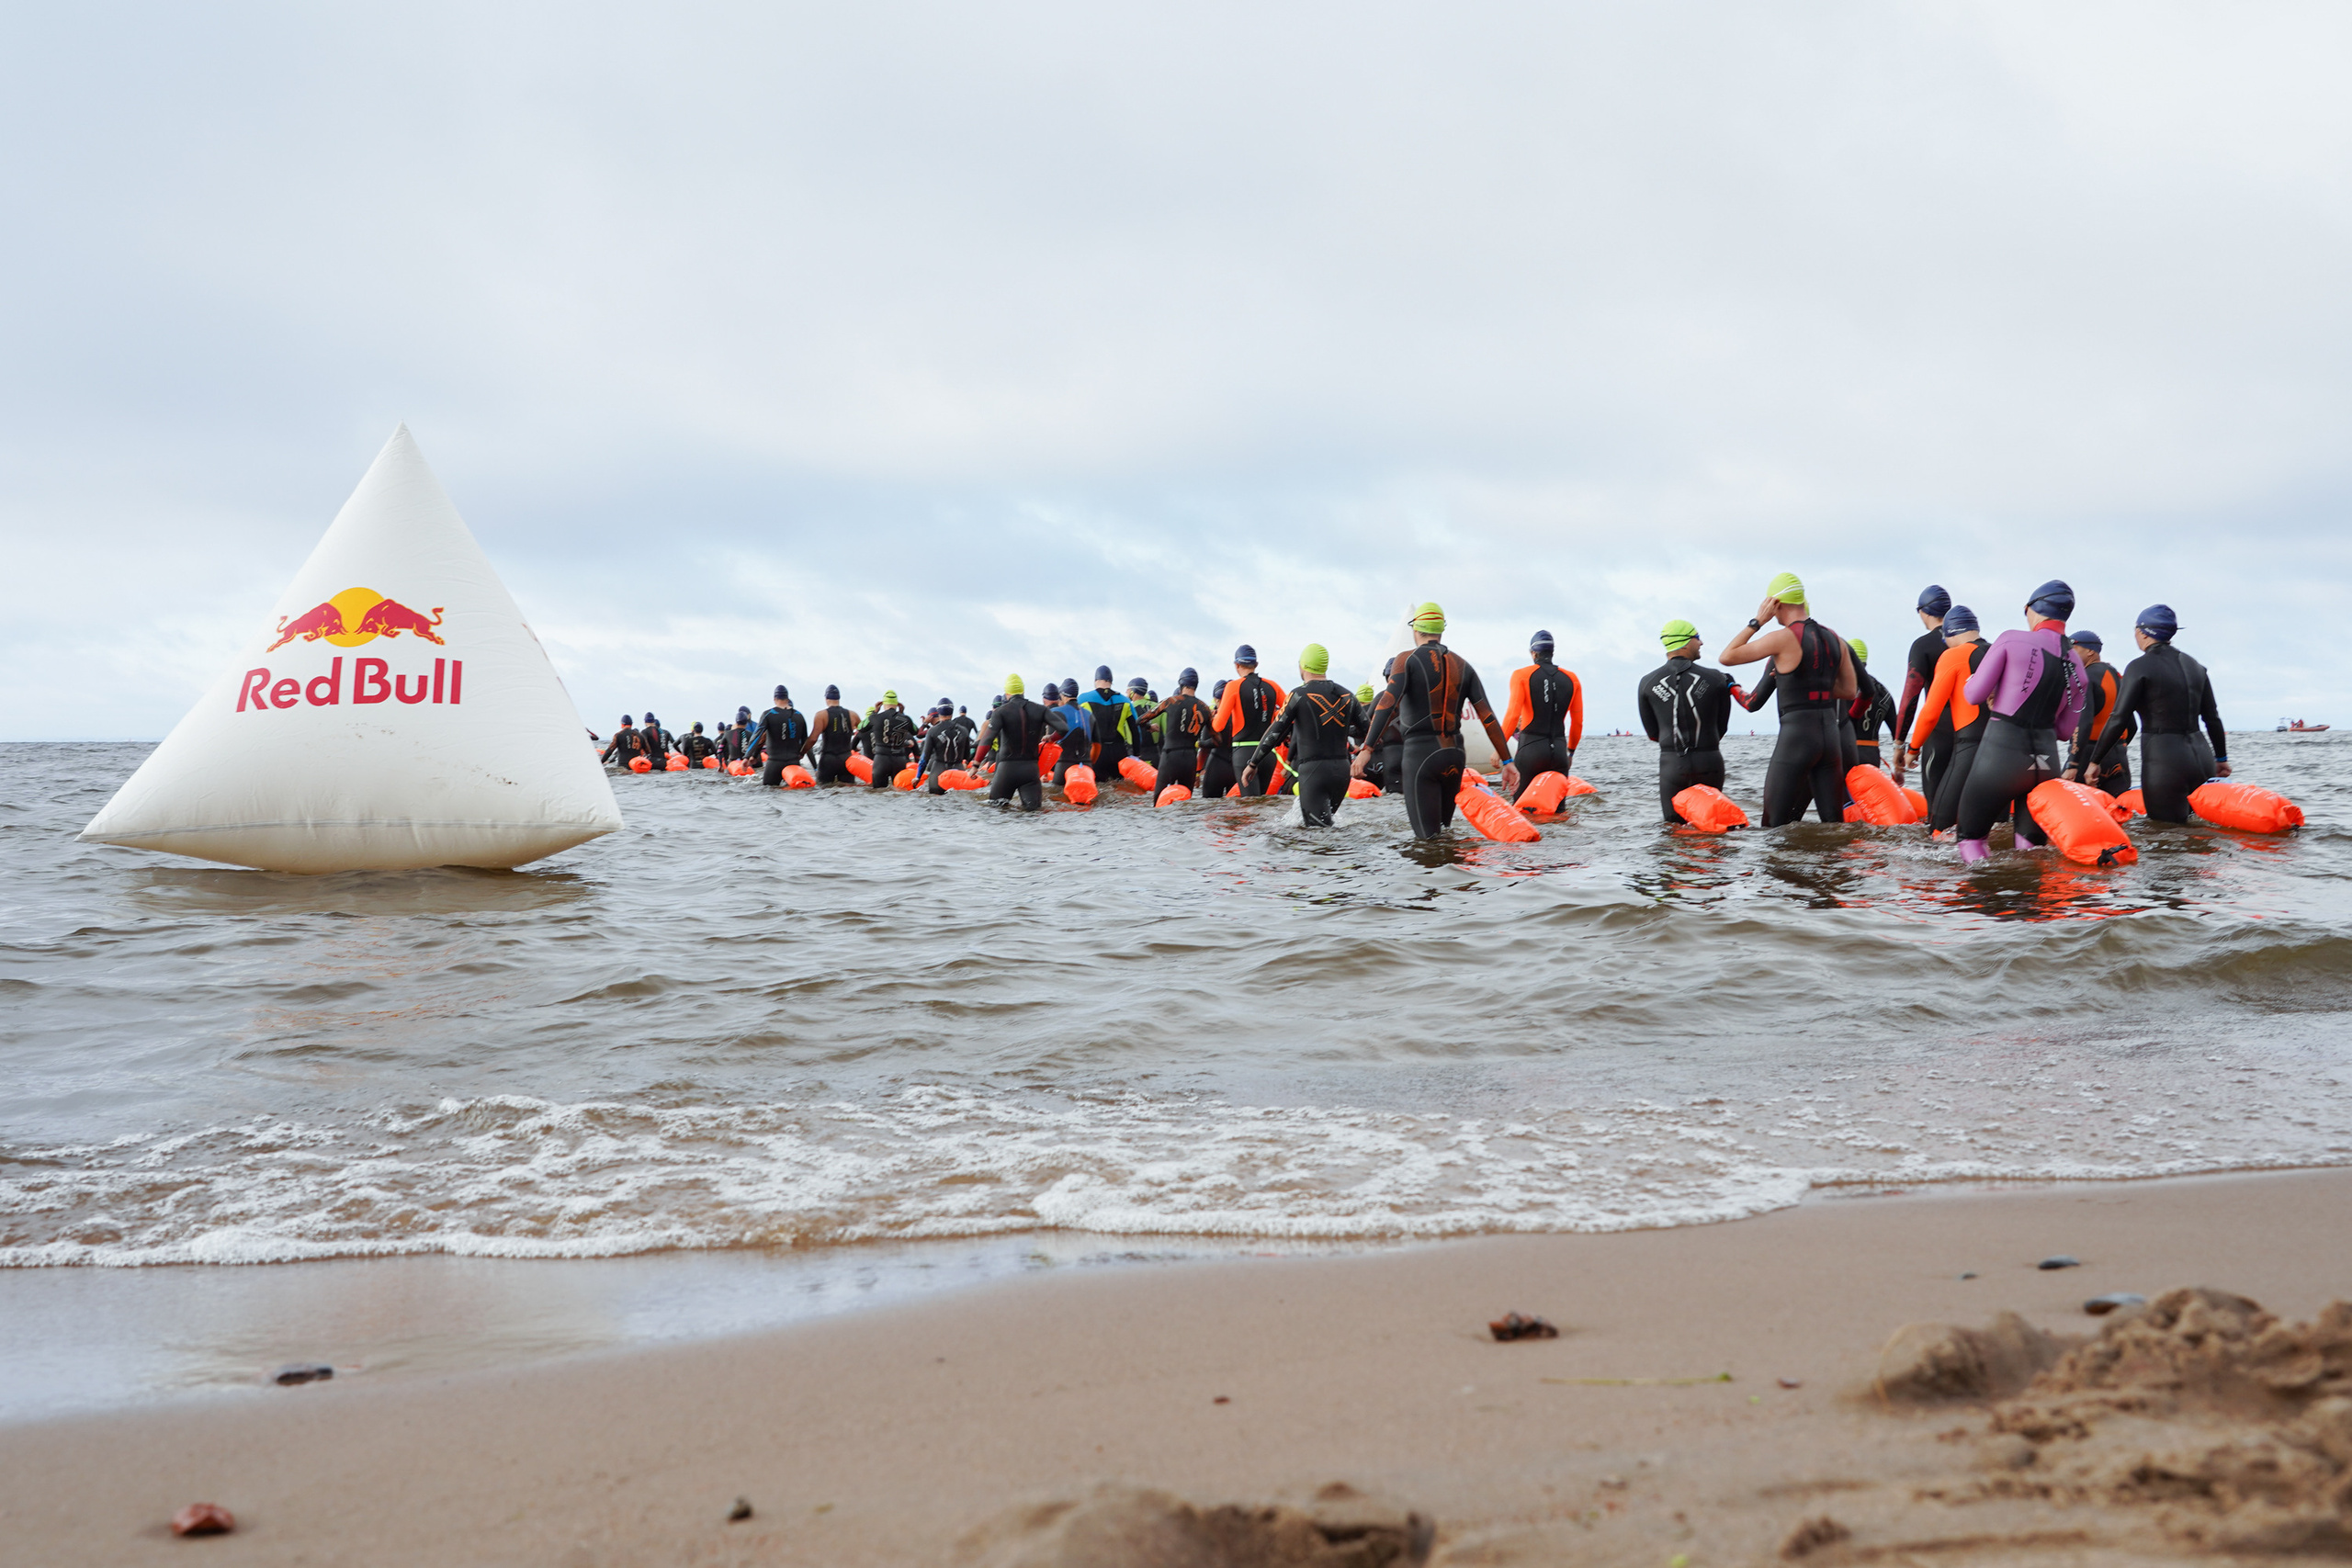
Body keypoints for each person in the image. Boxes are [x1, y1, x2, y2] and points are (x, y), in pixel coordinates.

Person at [1354, 603, 1520, 839]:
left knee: (1427, 840)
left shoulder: (1405, 660)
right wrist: (1507, 761)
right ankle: (1453, 873)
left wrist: (1367, 748)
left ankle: (1432, 874)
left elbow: (1386, 704)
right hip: (1454, 755)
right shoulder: (1463, 666)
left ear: (1415, 629)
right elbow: (1488, 716)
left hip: (1421, 756)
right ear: (1442, 629)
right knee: (1444, 832)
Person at [1951, 581, 2087, 864]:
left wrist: (1976, 683)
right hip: (2045, 763)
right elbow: (2064, 732)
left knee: (1971, 838)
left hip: (2001, 756)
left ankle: (1982, 904)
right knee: (2031, 852)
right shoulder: (2076, 665)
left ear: (2031, 609)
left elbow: (1974, 695)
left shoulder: (2012, 640)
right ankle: (2030, 905)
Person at [1719, 573, 1859, 827]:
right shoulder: (1835, 638)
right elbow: (1850, 691)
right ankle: (1835, 867)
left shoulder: (1783, 638)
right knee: (1833, 826)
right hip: (1830, 735)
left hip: (1798, 736)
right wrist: (1812, 686)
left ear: (1775, 604)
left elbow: (1727, 657)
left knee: (1772, 826)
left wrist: (1757, 622)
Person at [2084, 604, 2231, 823]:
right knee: (2201, 836)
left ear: (2143, 632)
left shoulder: (2139, 667)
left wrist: (2095, 760)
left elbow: (2119, 718)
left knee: (2166, 836)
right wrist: (2221, 758)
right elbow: (2212, 718)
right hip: (2202, 758)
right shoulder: (2196, 667)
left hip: (2165, 761)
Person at [1247, 644, 1363, 826]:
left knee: (1316, 835)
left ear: (1303, 666)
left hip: (1314, 772)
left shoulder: (1298, 695)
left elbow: (1275, 731)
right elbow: (1368, 730)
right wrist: (1361, 749)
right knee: (1327, 827)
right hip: (1342, 772)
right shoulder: (1347, 695)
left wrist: (1253, 762)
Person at [1635, 619, 1736, 825]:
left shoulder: (1647, 682)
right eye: (1697, 638)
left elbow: (1652, 733)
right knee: (1712, 828)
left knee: (1673, 831)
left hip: (1673, 765)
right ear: (1686, 642)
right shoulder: (1716, 678)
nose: (1701, 643)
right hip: (1710, 761)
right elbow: (1722, 726)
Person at [1905, 607, 1989, 831]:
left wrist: (1913, 749)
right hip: (2001, 753)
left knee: (1939, 826)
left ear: (1950, 633)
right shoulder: (1994, 652)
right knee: (1990, 829)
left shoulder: (1954, 655)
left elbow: (1931, 712)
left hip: (1969, 748)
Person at [1502, 630, 1583, 803]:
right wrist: (1570, 753)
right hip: (1560, 752)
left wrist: (1500, 749)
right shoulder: (1572, 678)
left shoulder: (1521, 675)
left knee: (1522, 810)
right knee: (1558, 812)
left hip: (1531, 750)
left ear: (1533, 653)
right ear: (1552, 652)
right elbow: (1577, 722)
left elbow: (1512, 716)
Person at [971, 675, 1073, 812]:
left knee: (995, 813)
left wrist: (976, 765)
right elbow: (1063, 729)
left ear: (1007, 694)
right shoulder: (1039, 709)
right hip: (1030, 771)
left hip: (1006, 770)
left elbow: (987, 740)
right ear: (1023, 691)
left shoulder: (1001, 712)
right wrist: (1051, 738)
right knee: (1033, 814)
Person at [1893, 584, 1955, 799]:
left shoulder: (1922, 646)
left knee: (1937, 810)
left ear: (1923, 611)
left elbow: (1910, 698)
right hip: (1974, 732)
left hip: (1939, 732)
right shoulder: (1968, 642)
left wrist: (1900, 744)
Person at [2062, 632, 2134, 796]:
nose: (2068, 655)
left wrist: (2072, 764)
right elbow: (2131, 724)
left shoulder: (2084, 677)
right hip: (2117, 756)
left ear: (2090, 651)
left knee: (2074, 815)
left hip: (2086, 757)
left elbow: (2083, 722)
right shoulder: (2117, 676)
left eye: (2073, 649)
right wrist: (2113, 749)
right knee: (2117, 815)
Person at [1212, 646, 1288, 796]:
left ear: (1237, 665)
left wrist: (1215, 716)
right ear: (1256, 665)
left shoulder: (1233, 687)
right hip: (1268, 754)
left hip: (1244, 753)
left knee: (1250, 807)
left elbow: (1218, 726)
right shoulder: (1273, 686)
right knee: (1260, 806)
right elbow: (1290, 712)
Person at [1136, 671, 1213, 797]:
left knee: (1159, 802)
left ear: (1181, 684)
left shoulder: (1170, 701)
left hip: (1170, 757)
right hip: (1190, 760)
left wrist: (1149, 727)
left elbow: (1140, 720)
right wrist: (1199, 743)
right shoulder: (1205, 708)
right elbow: (1217, 740)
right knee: (1185, 803)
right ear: (1196, 685)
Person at [1845, 637, 1896, 773]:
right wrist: (1898, 765)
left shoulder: (1840, 688)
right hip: (1871, 756)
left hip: (1845, 754)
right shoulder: (1883, 692)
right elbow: (1897, 733)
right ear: (1866, 663)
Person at [1079, 668, 1135, 776]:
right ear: (1111, 682)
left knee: (1099, 788)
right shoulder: (1125, 700)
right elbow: (1135, 729)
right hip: (1119, 751)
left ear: (1096, 681)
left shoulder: (1083, 699)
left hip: (1096, 751)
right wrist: (1136, 753)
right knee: (1120, 789)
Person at [858, 692, 920, 788]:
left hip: (881, 760)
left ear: (883, 704)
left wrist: (875, 712)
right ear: (897, 704)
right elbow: (915, 731)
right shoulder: (906, 719)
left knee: (878, 794)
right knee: (900, 792)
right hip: (899, 760)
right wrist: (902, 713)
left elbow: (860, 727)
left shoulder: (875, 717)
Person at [750, 686, 807, 787]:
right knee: (795, 795)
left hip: (774, 763)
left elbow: (757, 737)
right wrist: (803, 754)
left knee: (769, 791)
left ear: (775, 699)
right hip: (794, 762)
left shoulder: (768, 714)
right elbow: (805, 741)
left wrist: (749, 756)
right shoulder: (799, 716)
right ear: (787, 699)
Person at [807, 685, 860, 784]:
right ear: (838, 698)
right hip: (846, 759)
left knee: (823, 790)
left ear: (826, 698)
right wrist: (855, 747)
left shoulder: (821, 715)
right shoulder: (853, 715)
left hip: (828, 760)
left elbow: (813, 739)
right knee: (848, 791)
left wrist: (802, 752)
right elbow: (863, 732)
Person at [1048, 681, 1093, 789]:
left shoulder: (1055, 712)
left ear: (1062, 694)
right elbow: (1097, 746)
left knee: (1057, 799)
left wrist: (1046, 772)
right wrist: (1089, 764)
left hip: (1063, 765)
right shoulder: (1089, 715)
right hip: (1086, 766)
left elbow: (1050, 746)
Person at [1125, 678, 1160, 769]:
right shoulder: (1158, 708)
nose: (1126, 691)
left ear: (1133, 691)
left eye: (1128, 689)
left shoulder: (1129, 708)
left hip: (1137, 757)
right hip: (1158, 756)